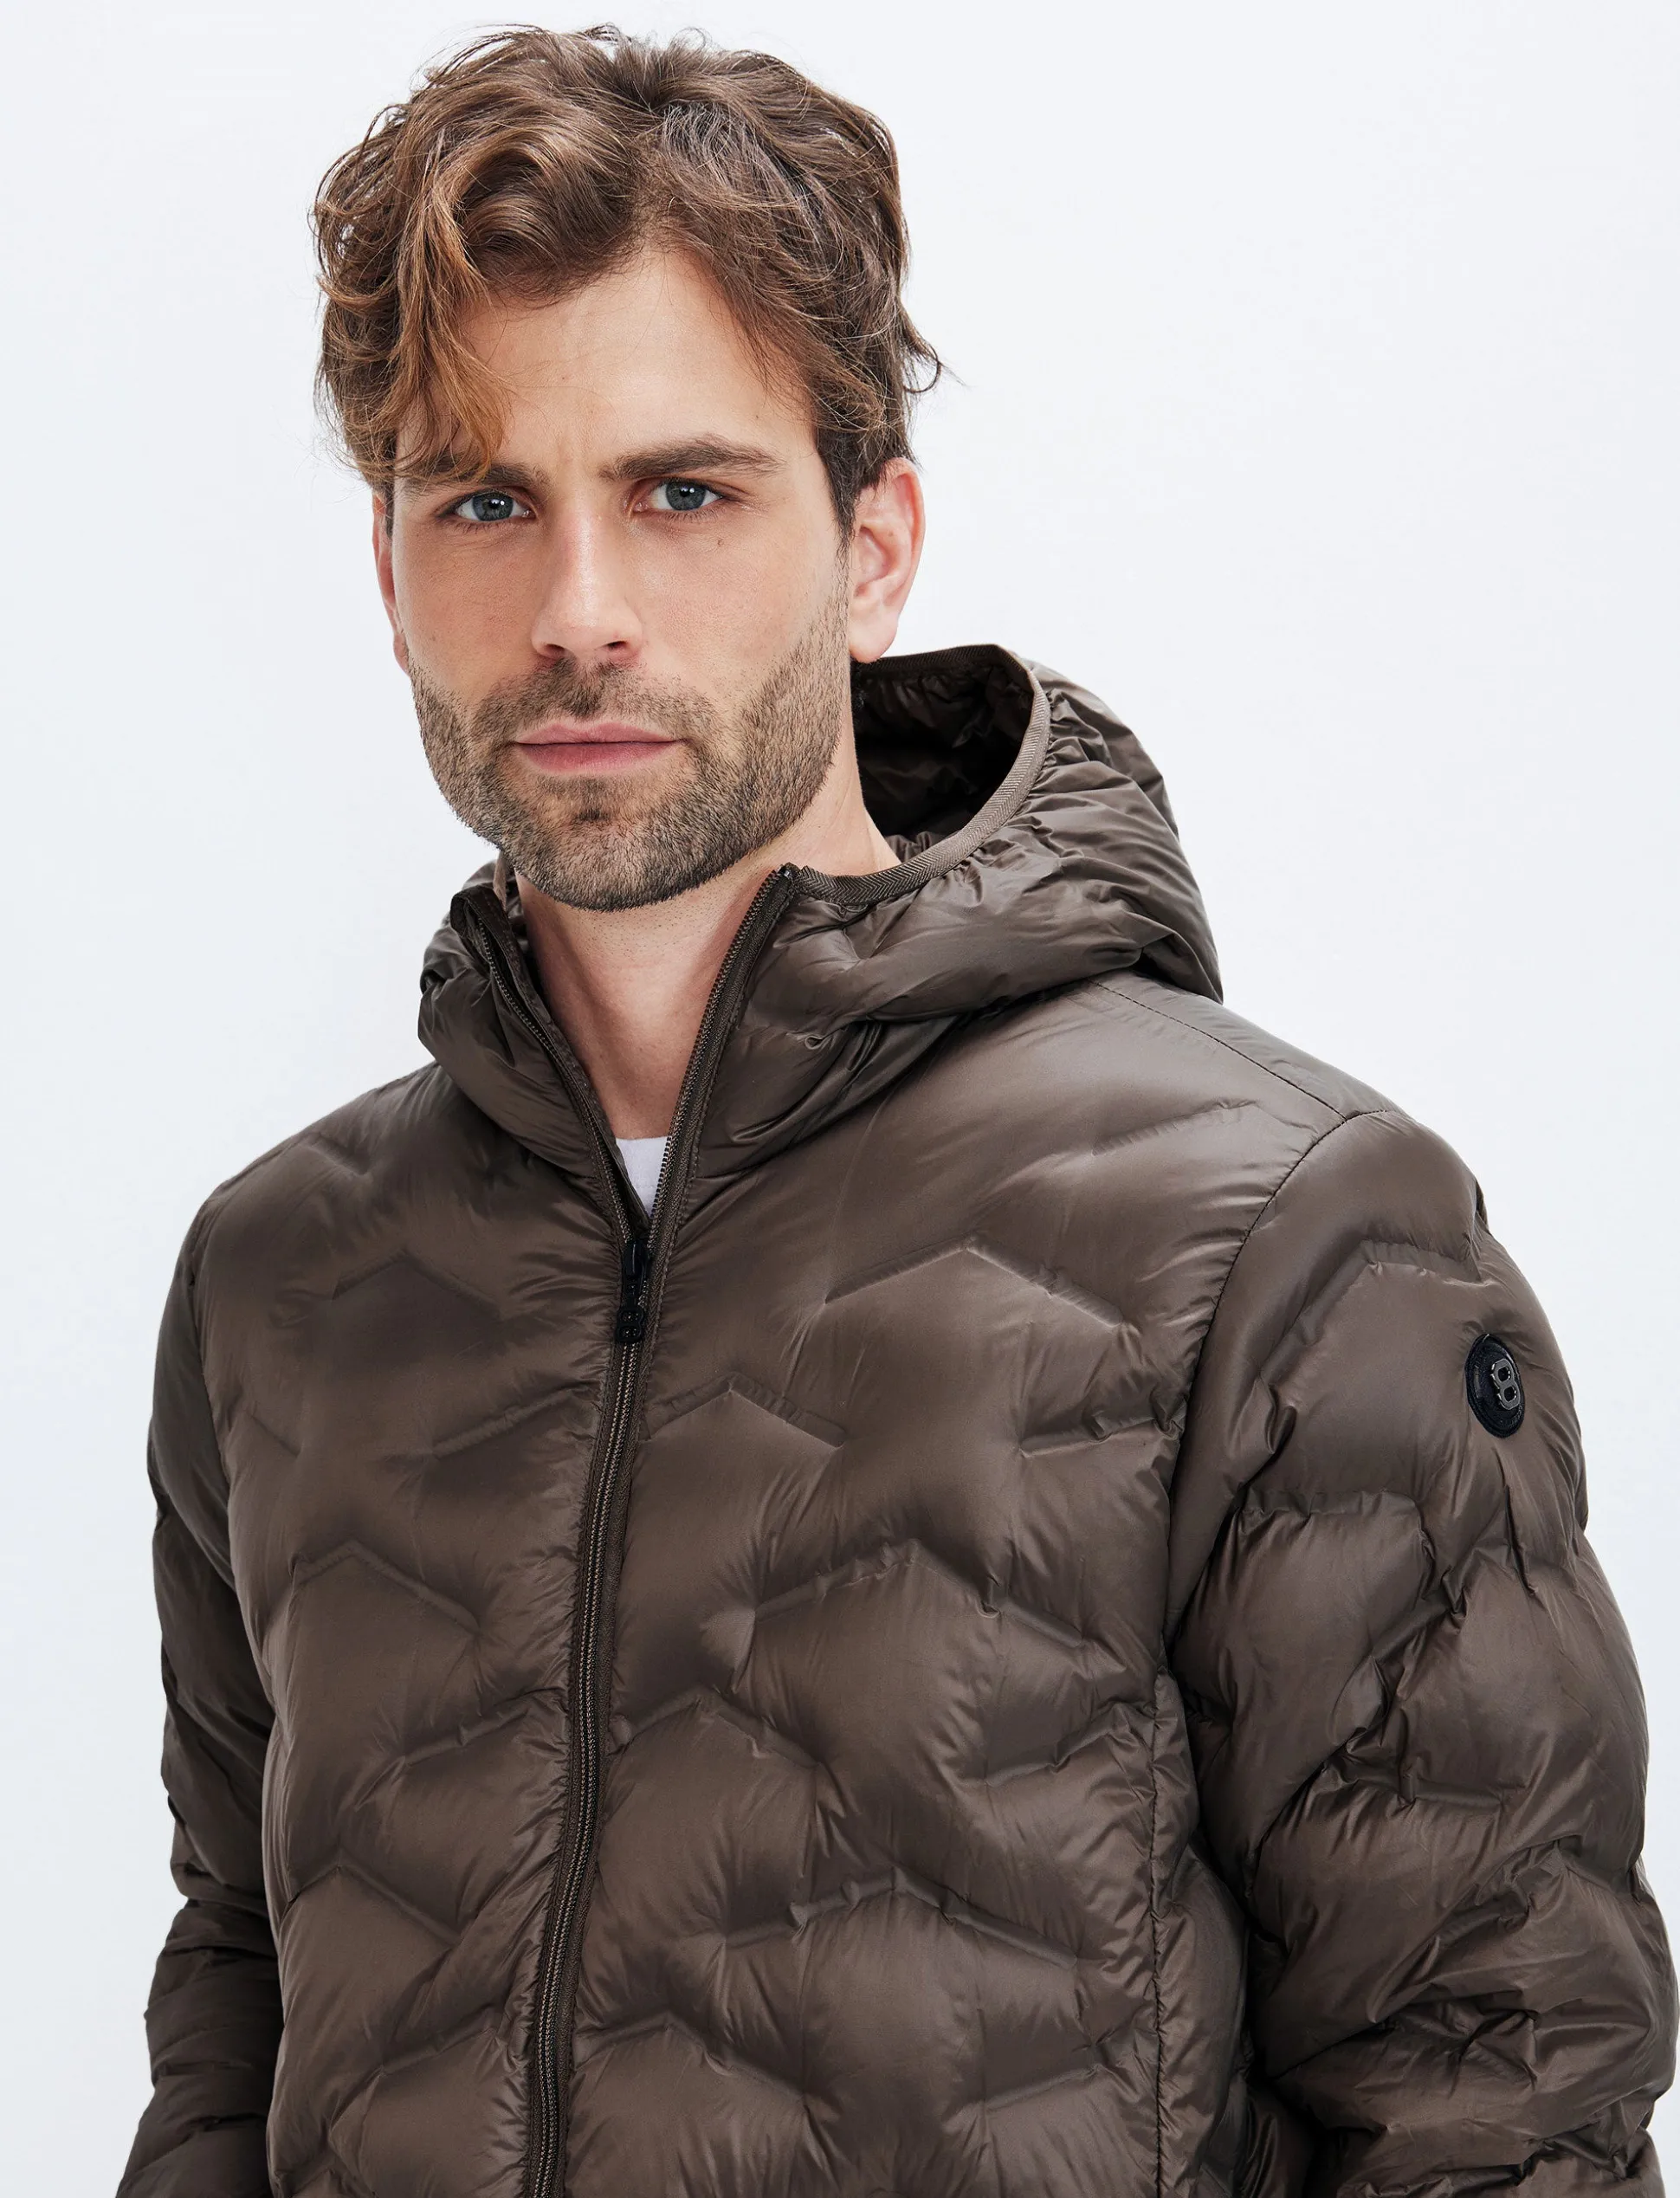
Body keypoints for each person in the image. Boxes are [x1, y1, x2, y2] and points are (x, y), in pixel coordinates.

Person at [118, 26, 1674, 2198]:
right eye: (483, 500)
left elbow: (1498, 2105)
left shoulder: (1287, 1241)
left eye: (682, 493)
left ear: (873, 549)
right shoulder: (284, 1279)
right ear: (390, 578)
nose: (577, 613)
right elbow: (242, 1997)